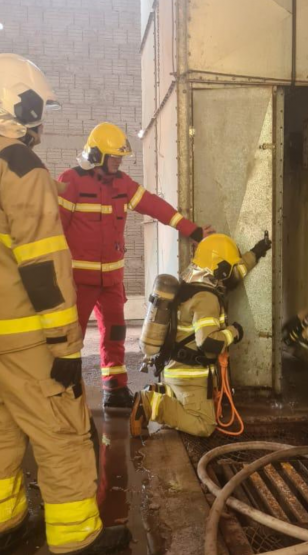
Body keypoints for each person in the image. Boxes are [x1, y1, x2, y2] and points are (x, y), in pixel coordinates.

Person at [0, 53, 129, 554]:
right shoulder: (19, 165)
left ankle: (6, 524)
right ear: (20, 105)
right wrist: (66, 344)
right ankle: (77, 540)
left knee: (3, 430)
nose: (41, 122)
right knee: (63, 434)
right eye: (39, 110)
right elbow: (43, 265)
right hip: (23, 334)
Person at [57, 122, 214, 409]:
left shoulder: (123, 184)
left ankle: (115, 390)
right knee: (70, 338)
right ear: (96, 155)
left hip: (111, 283)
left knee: (115, 333)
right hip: (77, 281)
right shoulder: (71, 182)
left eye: (119, 159)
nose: (118, 163)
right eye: (113, 158)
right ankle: (64, 394)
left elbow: (156, 206)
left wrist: (193, 231)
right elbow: (54, 231)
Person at [129, 233, 272, 437]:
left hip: (174, 369)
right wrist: (234, 332)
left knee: (192, 411)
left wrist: (258, 250)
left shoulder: (189, 284)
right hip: (190, 375)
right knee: (204, 425)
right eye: (228, 269)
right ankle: (149, 404)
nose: (231, 274)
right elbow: (208, 343)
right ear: (220, 268)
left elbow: (235, 272)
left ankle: (162, 392)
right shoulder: (206, 298)